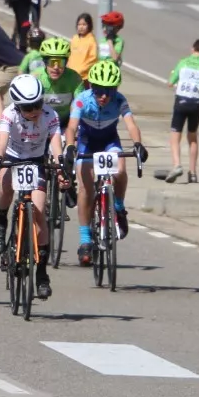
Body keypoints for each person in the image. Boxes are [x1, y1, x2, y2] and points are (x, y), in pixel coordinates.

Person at [0, 73, 62, 300]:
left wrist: (60, 169)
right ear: (18, 106)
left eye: (37, 104)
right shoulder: (8, 115)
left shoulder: (50, 116)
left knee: (39, 214)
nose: (34, 111)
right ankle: (1, 222)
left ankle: (41, 274)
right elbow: (1, 145)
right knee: (5, 186)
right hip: (13, 157)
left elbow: (57, 147)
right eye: (28, 108)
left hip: (36, 161)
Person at [64, 60, 146, 264]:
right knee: (85, 190)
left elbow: (131, 125)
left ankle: (118, 205)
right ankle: (85, 240)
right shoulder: (82, 100)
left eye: (109, 91)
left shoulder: (119, 100)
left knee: (119, 170)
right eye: (99, 90)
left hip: (109, 142)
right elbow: (72, 127)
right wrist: (70, 146)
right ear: (92, 86)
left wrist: (137, 144)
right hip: (86, 143)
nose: (104, 96)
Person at [165, 38, 199, 184]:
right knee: (192, 136)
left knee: (175, 134)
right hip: (196, 104)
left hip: (181, 101)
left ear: (193, 49)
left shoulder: (183, 62)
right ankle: (193, 172)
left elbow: (170, 82)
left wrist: (173, 77)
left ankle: (176, 165)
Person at [66, 12, 99, 77]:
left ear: (89, 26)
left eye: (84, 25)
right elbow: (69, 54)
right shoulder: (75, 38)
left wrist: (80, 70)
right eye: (79, 24)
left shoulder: (91, 40)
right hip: (70, 73)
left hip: (83, 76)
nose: (81, 27)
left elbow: (93, 59)